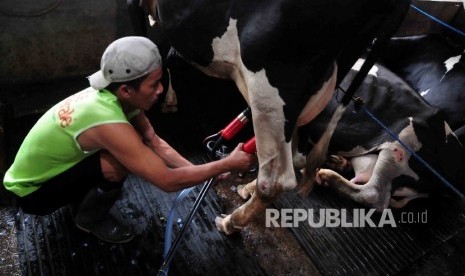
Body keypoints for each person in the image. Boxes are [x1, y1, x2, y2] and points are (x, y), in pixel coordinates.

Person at [2, 36, 255, 244]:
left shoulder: (113, 93)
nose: (161, 90)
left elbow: (154, 142)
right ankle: (88, 219)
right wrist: (226, 164)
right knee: (118, 162)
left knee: (132, 148)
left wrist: (204, 172)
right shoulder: (107, 120)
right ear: (126, 90)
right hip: (32, 194)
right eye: (154, 85)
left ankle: (80, 200)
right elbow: (166, 182)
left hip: (44, 173)